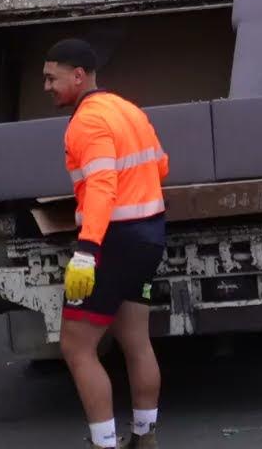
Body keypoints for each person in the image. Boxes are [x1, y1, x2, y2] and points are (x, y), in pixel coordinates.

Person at [42, 39, 168, 449]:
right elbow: (161, 165)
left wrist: (87, 250)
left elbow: (101, 185)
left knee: (76, 346)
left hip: (113, 240)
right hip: (149, 233)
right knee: (136, 339)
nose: (46, 86)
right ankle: (145, 437)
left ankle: (104, 444)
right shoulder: (128, 109)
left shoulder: (87, 122)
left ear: (78, 76)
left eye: (51, 77)